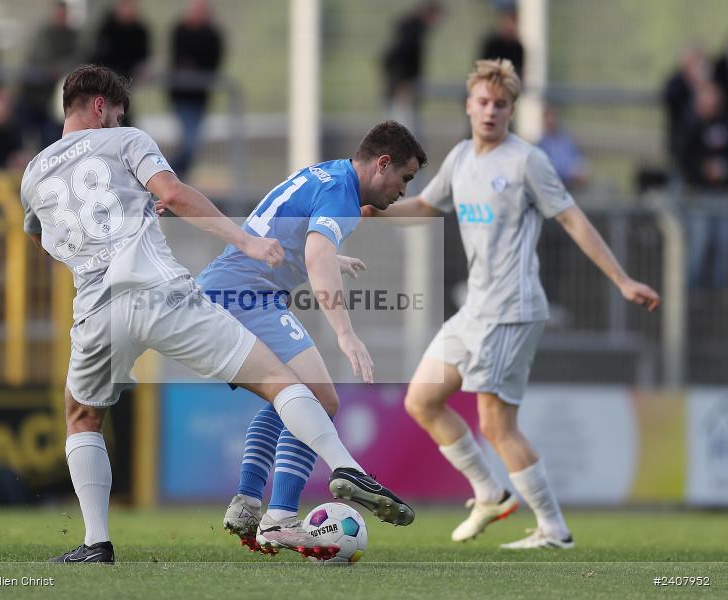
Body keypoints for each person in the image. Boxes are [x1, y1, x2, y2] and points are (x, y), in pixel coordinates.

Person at [19, 65, 414, 563]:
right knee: (279, 380)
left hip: (97, 309)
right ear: (101, 107)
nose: (119, 121)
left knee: (81, 417)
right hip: (163, 293)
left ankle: (97, 542)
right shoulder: (125, 141)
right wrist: (245, 240)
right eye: (117, 113)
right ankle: (338, 470)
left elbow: (41, 239)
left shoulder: (32, 174)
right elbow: (176, 194)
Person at [363, 59, 659, 549]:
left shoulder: (527, 162)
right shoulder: (460, 158)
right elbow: (426, 207)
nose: (491, 111)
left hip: (513, 310)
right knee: (422, 400)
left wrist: (623, 280)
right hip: (475, 309)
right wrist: (378, 211)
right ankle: (488, 492)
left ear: (512, 110)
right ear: (469, 105)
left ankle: (554, 529)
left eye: (501, 104)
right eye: (483, 102)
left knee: (497, 426)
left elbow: (573, 221)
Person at [195, 121, 426, 557]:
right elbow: (316, 253)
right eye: (405, 178)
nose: (402, 190)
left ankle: (248, 501)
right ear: (382, 164)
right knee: (322, 400)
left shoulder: (327, 172)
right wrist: (346, 333)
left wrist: (331, 255)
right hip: (248, 295)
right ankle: (283, 516)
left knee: (287, 398)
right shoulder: (344, 194)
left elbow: (289, 234)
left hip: (222, 289)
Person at [674, 82, 728, 289]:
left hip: (721, 195)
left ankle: (720, 293)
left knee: (724, 243)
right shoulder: (689, 125)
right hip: (697, 195)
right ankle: (691, 292)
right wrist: (702, 170)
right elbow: (683, 159)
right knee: (700, 242)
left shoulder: (723, 123)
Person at [167, 0, 224, 178]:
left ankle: (171, 178)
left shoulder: (212, 35)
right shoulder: (180, 30)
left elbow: (212, 63)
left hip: (200, 97)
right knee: (190, 143)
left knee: (192, 145)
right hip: (181, 96)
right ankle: (169, 178)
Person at [17, 0, 79, 149]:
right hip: (34, 93)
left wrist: (60, 69)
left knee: (50, 138)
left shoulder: (72, 36)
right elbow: (38, 58)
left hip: (56, 97)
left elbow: (77, 57)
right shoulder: (42, 34)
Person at [380, 1, 444, 136]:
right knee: (403, 134)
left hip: (404, 86)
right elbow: (393, 58)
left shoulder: (414, 30)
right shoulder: (412, 31)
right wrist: (402, 83)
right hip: (402, 89)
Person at [88, 0, 151, 125]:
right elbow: (97, 55)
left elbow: (143, 57)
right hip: (107, 80)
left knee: (123, 113)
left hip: (127, 80)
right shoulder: (106, 28)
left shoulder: (140, 30)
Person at [478, 7, 523, 79]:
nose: (511, 27)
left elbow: (519, 72)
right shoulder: (492, 44)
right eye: (508, 22)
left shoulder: (517, 47)